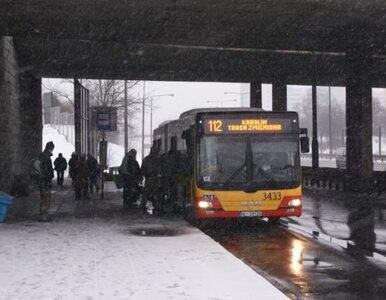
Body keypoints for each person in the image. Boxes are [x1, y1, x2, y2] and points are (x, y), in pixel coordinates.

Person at [38, 141, 55, 222]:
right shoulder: (46, 157)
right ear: (51, 148)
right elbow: (47, 170)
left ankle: (42, 214)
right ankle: (44, 216)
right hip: (45, 181)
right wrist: (48, 180)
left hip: (41, 181)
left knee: (43, 198)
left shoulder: (41, 156)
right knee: (46, 198)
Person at [141, 145, 160, 213]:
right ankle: (144, 205)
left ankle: (156, 205)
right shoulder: (148, 160)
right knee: (148, 193)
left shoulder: (156, 160)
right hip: (150, 178)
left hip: (154, 179)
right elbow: (142, 170)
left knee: (153, 193)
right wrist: (147, 173)